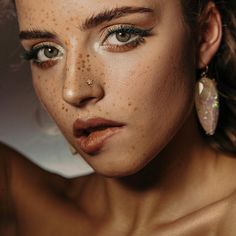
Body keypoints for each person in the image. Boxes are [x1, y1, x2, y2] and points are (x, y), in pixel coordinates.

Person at [1, 0, 236, 235]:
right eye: (47, 51)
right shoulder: (21, 202)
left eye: (121, 35)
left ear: (204, 35)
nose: (73, 91)